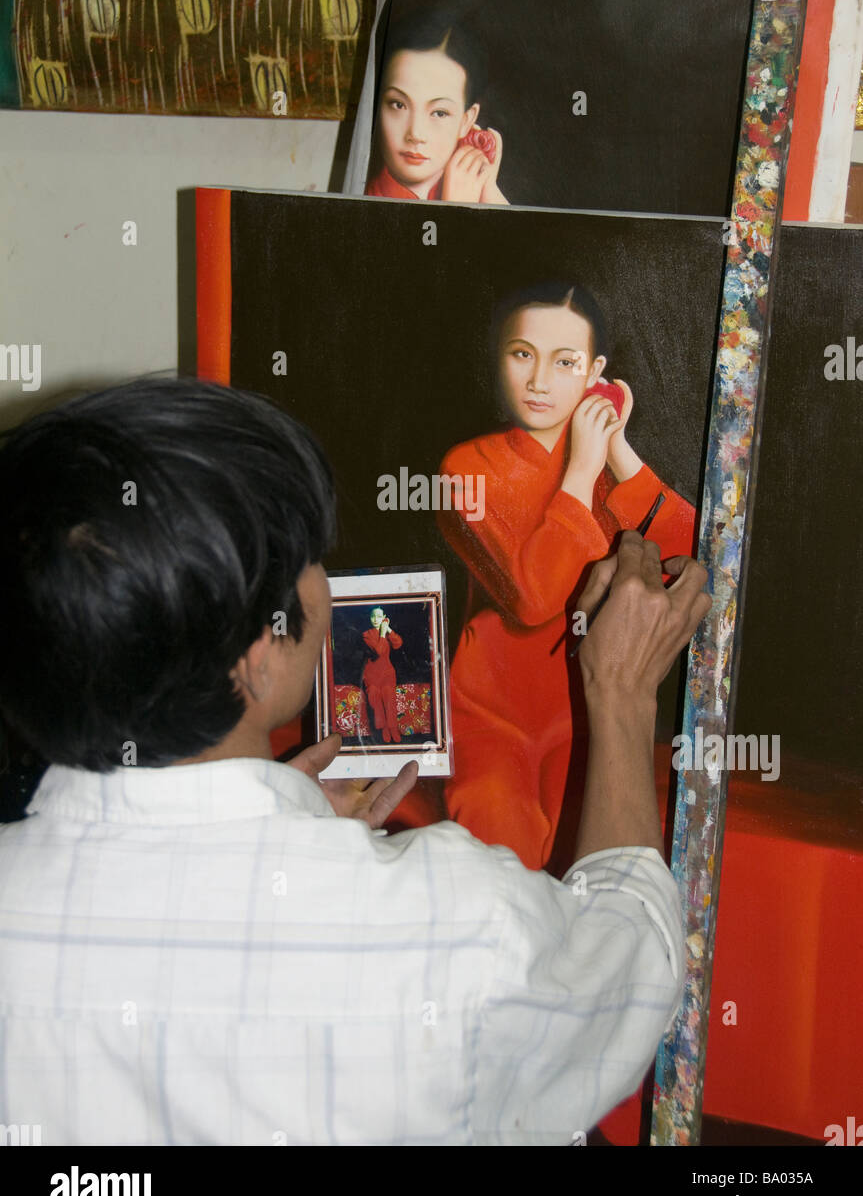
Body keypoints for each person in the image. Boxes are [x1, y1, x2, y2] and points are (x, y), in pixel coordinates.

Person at [0, 375, 709, 1145]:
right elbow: (626, 968)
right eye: (309, 556)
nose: (327, 583)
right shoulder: (454, 925)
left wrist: (280, 825)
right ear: (259, 651)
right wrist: (621, 691)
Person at [437, 282, 697, 872]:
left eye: (566, 363)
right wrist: (583, 467)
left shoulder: (605, 461)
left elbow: (697, 559)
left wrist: (619, 451)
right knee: (500, 859)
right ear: (497, 356)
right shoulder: (466, 468)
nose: (538, 381)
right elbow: (533, 598)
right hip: (490, 716)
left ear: (596, 374)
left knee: (586, 870)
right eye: (522, 353)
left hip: (581, 717)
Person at [365, 11, 509, 205]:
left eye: (439, 113)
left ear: (466, 120)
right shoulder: (369, 201)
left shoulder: (473, 187)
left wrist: (487, 188)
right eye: (398, 105)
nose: (415, 134)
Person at [361, 606, 402, 743]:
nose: (375, 619)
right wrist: (383, 633)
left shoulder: (387, 631)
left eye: (379, 616)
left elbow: (398, 644)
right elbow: (378, 651)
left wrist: (388, 629)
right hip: (371, 674)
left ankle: (393, 728)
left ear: (384, 617)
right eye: (373, 616)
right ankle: (384, 727)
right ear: (369, 617)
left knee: (388, 694)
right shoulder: (366, 634)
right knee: (374, 695)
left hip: (387, 674)